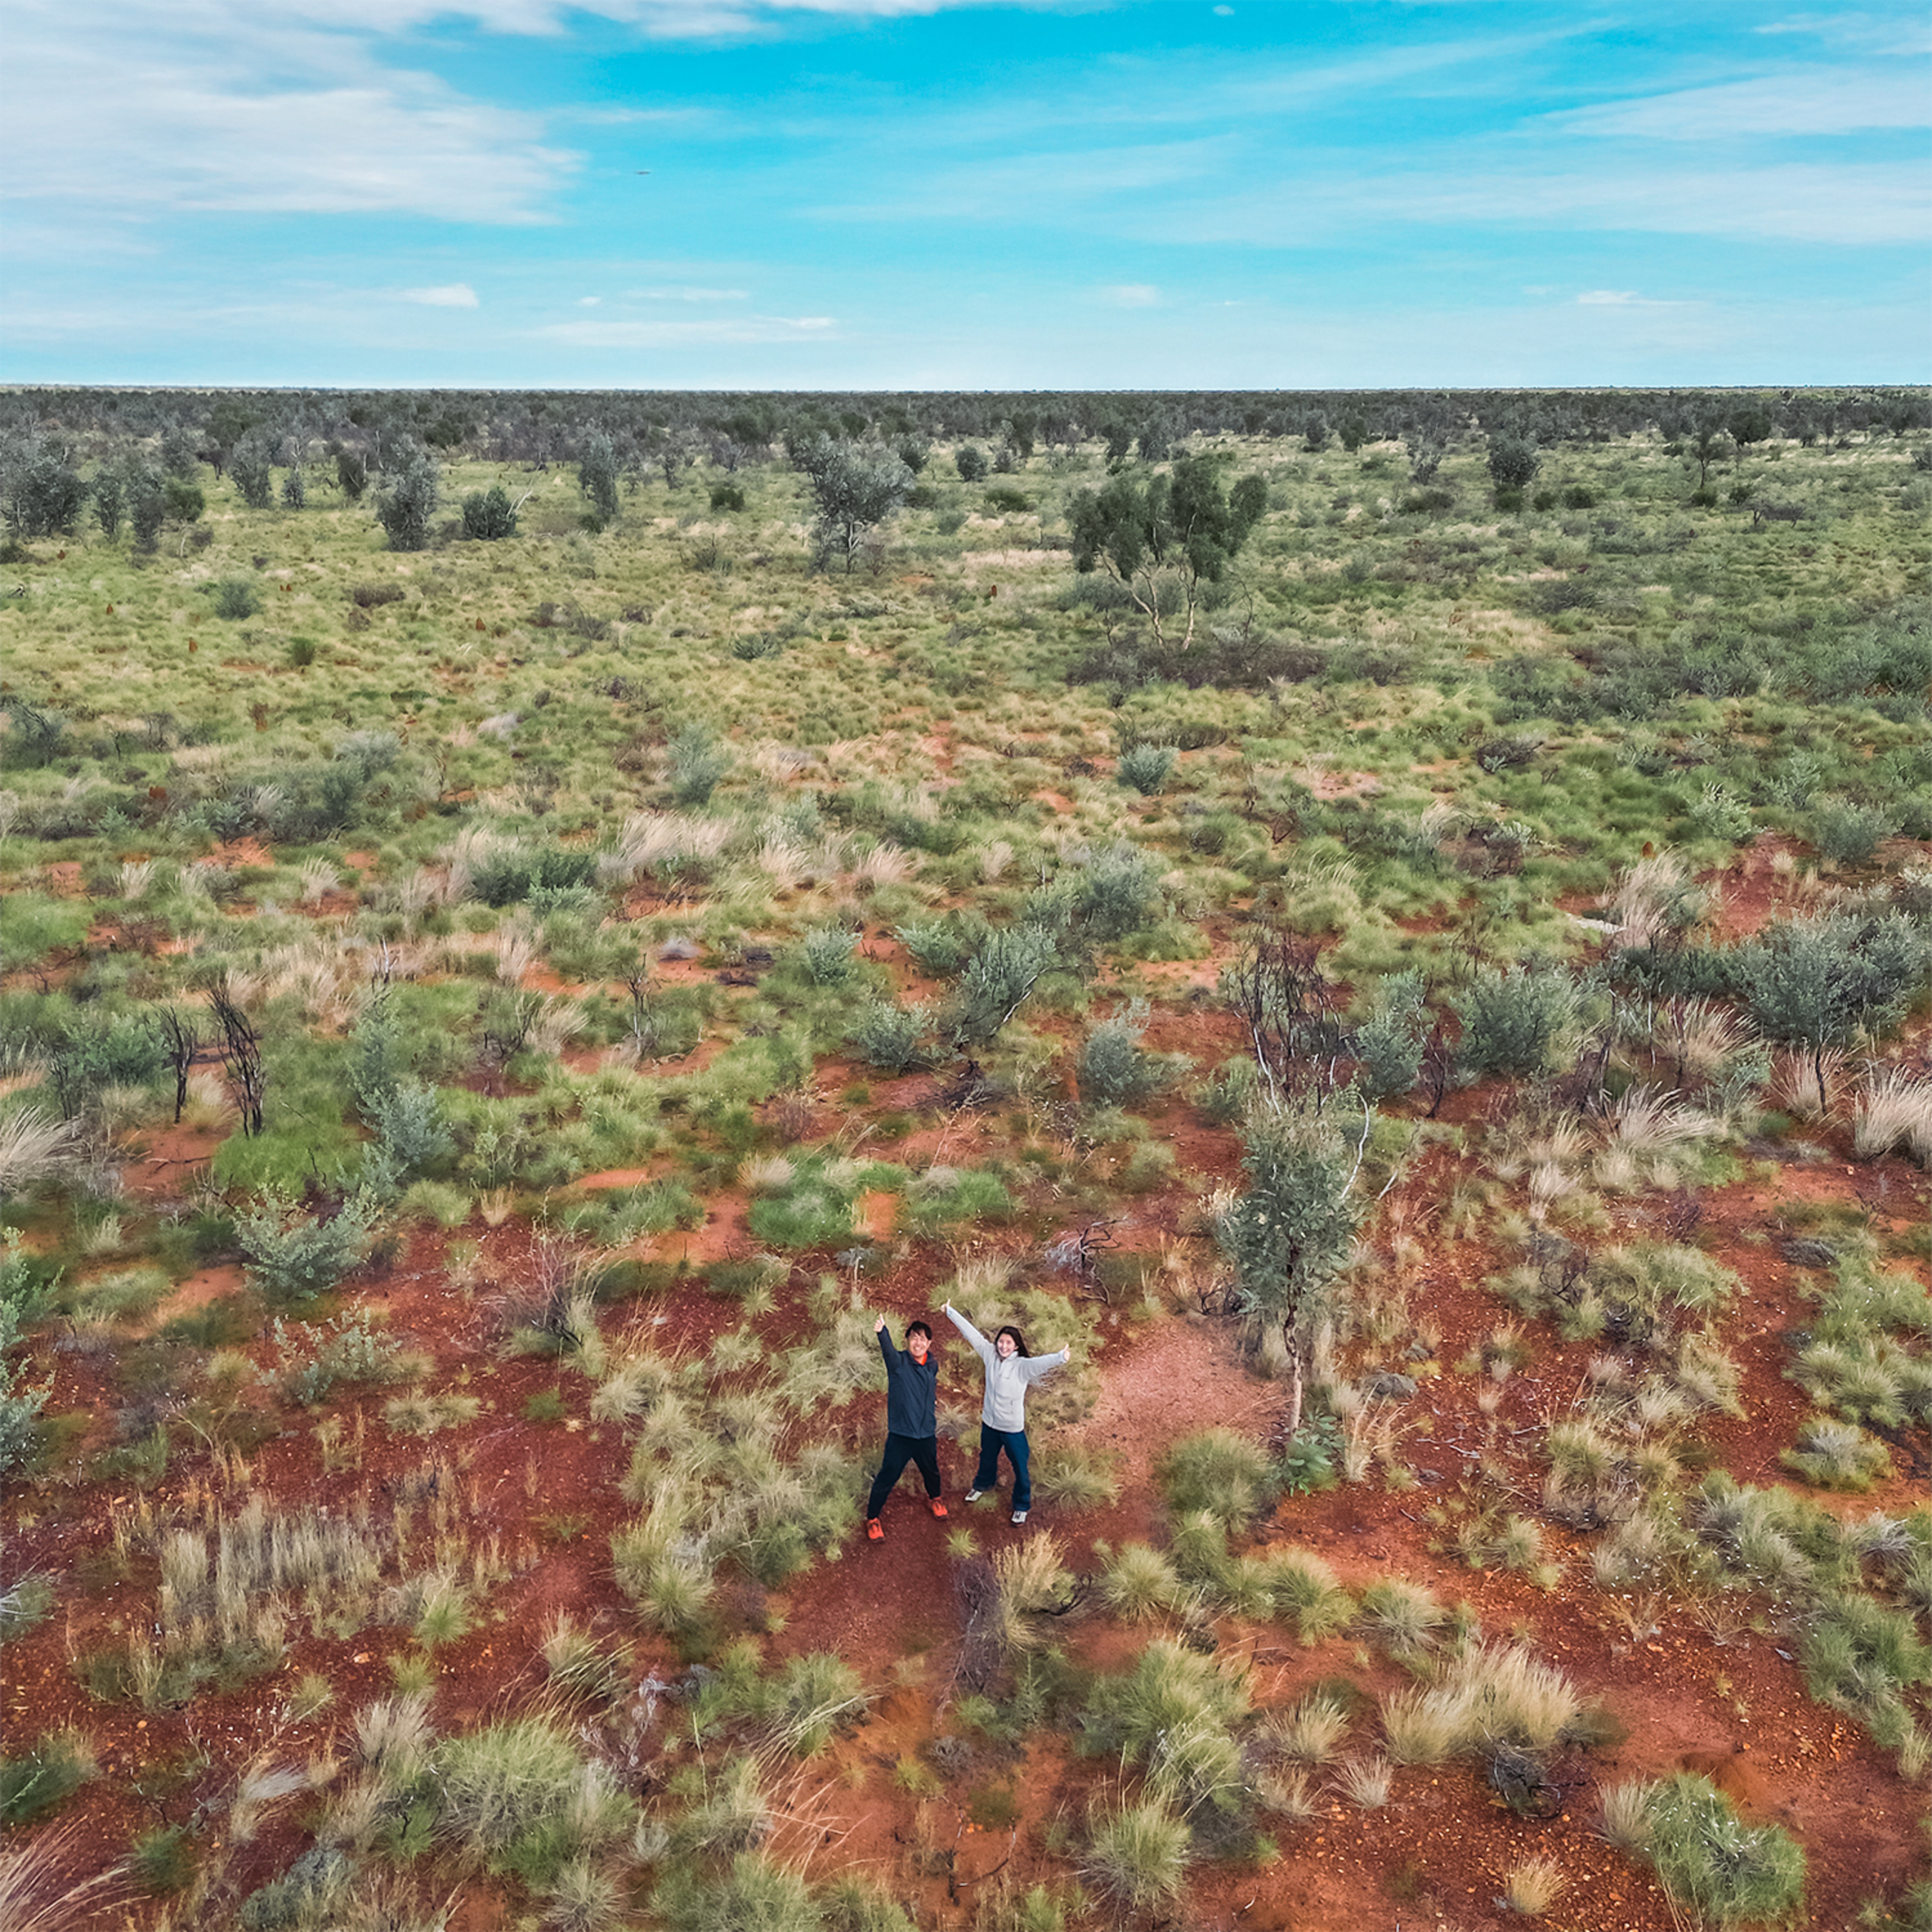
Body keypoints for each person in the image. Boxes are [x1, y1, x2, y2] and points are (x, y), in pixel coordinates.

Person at [943, 1301, 1068, 1524]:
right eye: (1001, 1341)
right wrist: (950, 1312)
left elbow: (1040, 1363)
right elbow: (972, 1335)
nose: (1003, 1346)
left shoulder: (1022, 1366)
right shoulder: (989, 1354)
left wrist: (1060, 1357)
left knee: (1020, 1467)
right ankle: (982, 1485)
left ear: (1016, 1346)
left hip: (1012, 1429)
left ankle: (1021, 1505)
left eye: (1008, 1343)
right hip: (989, 1424)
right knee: (987, 1458)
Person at [864, 1314, 946, 1541]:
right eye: (914, 1338)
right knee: (888, 1476)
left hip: (926, 1434)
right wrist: (882, 1332)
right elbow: (888, 1351)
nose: (918, 1343)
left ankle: (935, 1499)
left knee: (931, 1471)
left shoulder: (932, 1365)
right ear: (908, 1340)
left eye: (922, 1339)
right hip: (901, 1435)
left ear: (929, 1343)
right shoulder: (898, 1363)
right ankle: (873, 1519)